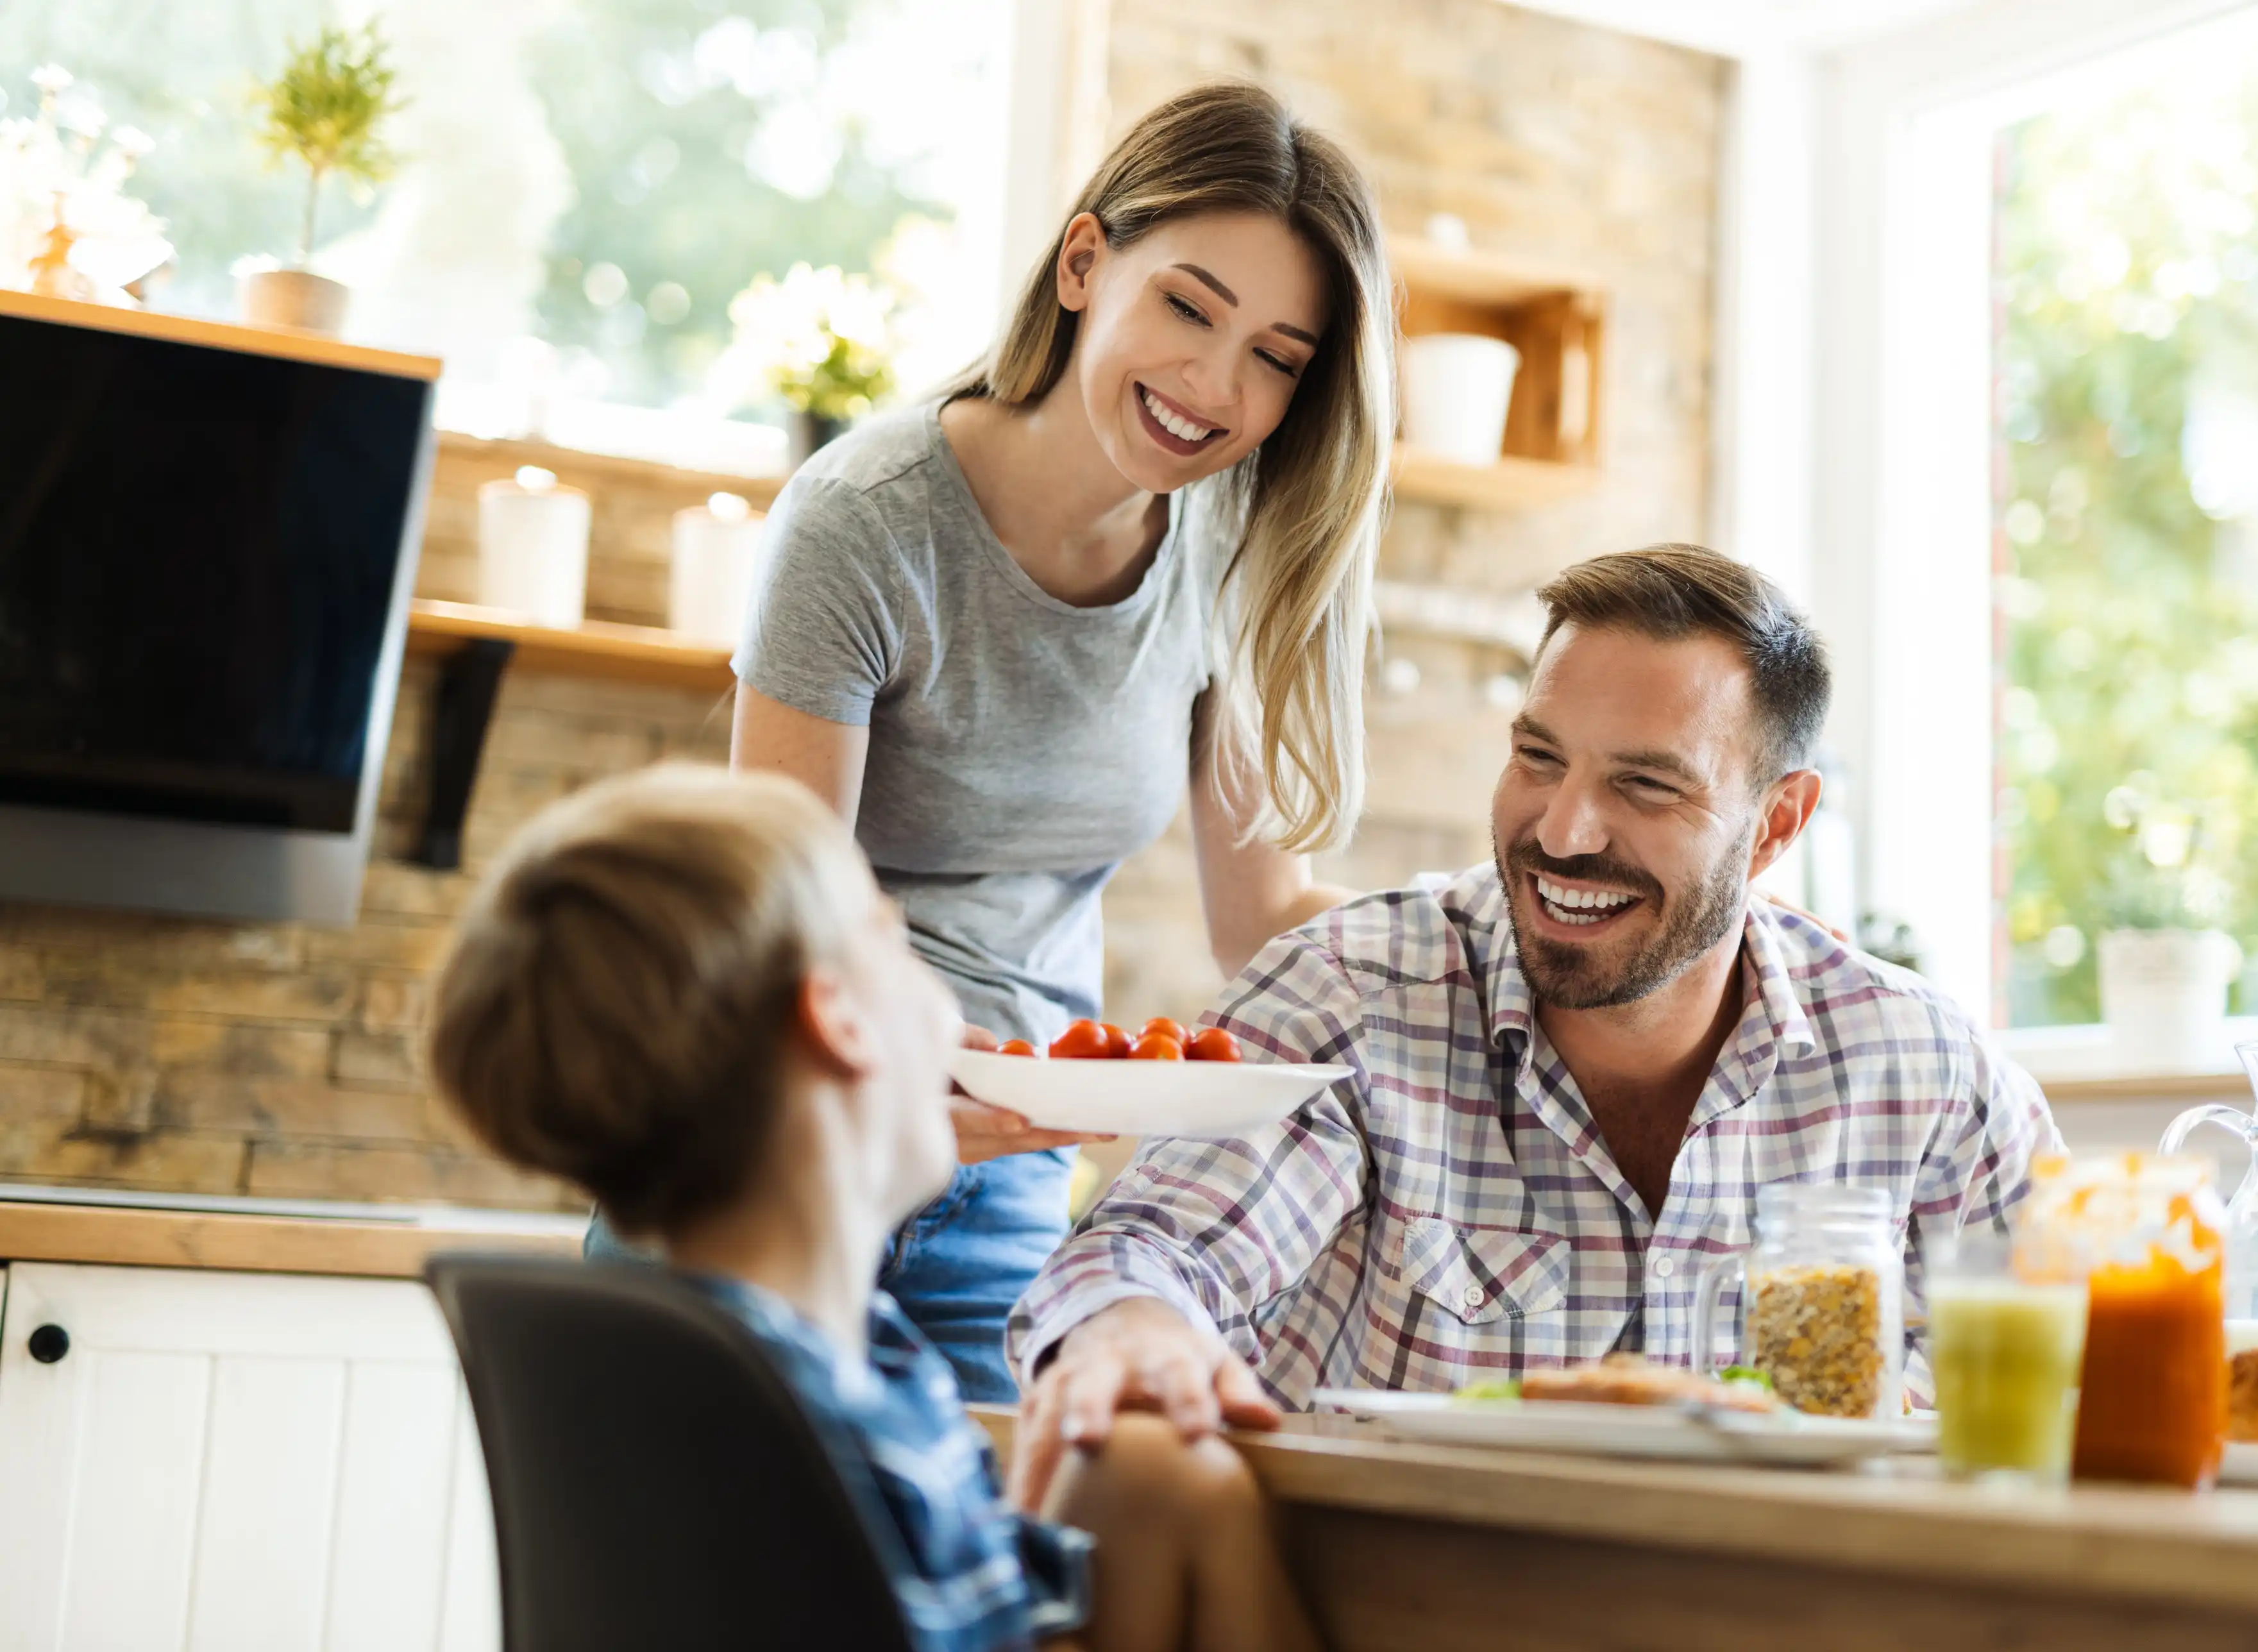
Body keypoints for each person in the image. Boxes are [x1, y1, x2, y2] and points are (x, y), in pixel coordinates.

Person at [1004, 545, 2061, 1501]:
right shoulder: (1356, 996)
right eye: (1539, 758)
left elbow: (2080, 1368)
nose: (1562, 831)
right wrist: (1130, 1327)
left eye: (1645, 785)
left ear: (1777, 824)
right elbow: (1153, 1251)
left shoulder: (1923, 1073)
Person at [689, 80, 1393, 1401]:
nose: (1213, 386)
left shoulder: (1226, 552)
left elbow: (1265, 921)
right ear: (1085, 263)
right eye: (1188, 306)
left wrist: (1481, 955)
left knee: (977, 1593)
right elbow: (781, 918)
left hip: (1009, 1179)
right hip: (781, 1149)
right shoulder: (864, 523)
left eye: (1277, 358)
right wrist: (899, 1099)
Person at [430, 764, 1319, 1652]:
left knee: (1170, 1492)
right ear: (841, 1019)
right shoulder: (834, 1424)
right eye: (898, 943)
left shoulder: (784, 1358)